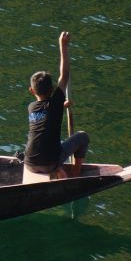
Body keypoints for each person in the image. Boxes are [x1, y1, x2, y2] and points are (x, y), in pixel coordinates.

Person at [23, 31, 90, 178]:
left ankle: (58, 169)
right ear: (52, 90)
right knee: (83, 137)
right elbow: (64, 76)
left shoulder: (31, 108)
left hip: (29, 164)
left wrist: (61, 106)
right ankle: (74, 175)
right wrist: (63, 46)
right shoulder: (55, 104)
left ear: (31, 91)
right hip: (48, 164)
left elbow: (47, 116)